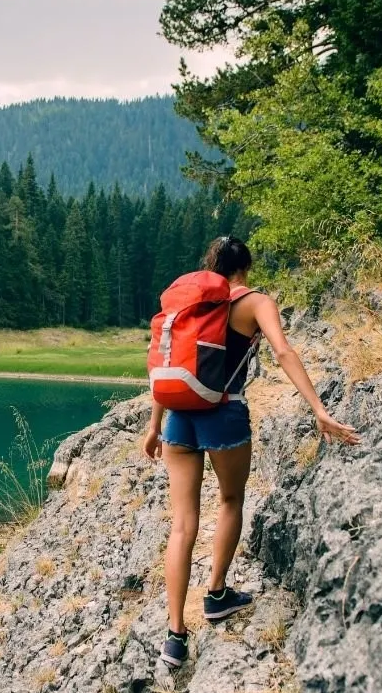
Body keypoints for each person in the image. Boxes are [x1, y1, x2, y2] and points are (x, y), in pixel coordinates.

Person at [141, 236, 361, 669]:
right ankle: (218, 594)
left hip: (178, 417)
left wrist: (154, 427)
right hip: (224, 413)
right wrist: (319, 409)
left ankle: (174, 635)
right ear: (246, 267)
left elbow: (170, 363)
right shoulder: (254, 302)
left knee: (183, 524)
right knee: (230, 499)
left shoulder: (189, 304)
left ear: (211, 266)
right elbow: (282, 350)